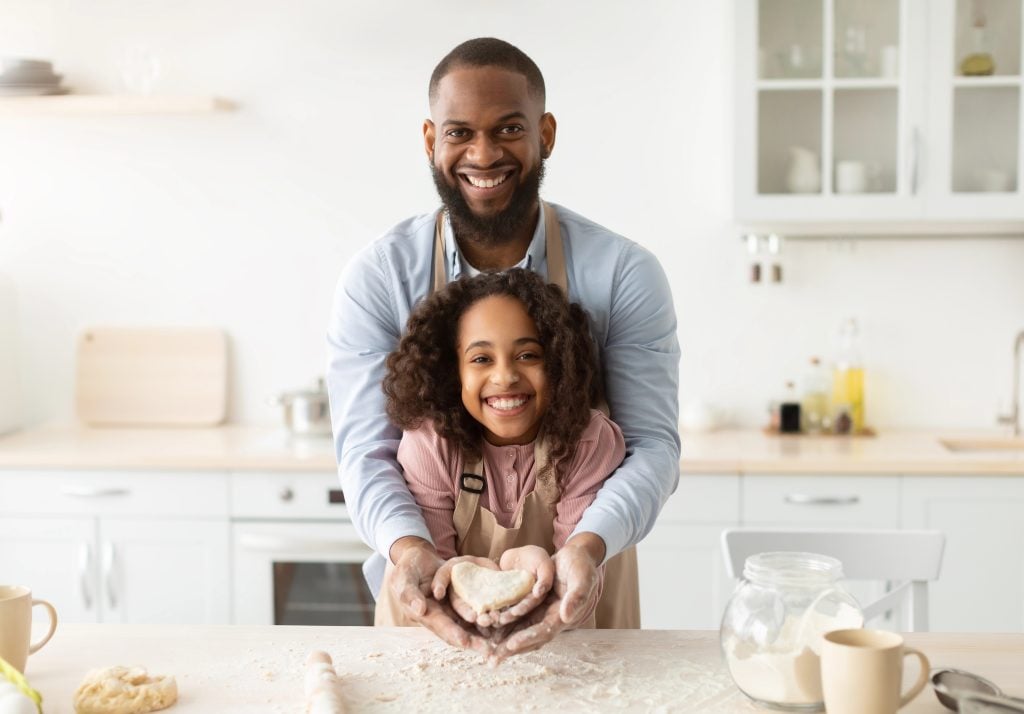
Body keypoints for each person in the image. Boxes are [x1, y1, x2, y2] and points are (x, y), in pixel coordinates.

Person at [326, 37, 680, 661]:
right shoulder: (380, 277)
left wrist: (586, 548)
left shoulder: (624, 273)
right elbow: (366, 452)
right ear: (431, 139)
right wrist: (411, 552)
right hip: (426, 604)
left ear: (545, 133)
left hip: (583, 600)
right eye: (460, 132)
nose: (483, 154)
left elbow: (652, 447)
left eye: (509, 128)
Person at [376, 269, 625, 636]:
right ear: (453, 371)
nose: (505, 376)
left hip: (556, 632)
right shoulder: (430, 442)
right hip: (429, 634)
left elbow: (574, 557)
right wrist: (448, 580)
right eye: (481, 359)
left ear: (557, 363)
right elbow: (436, 567)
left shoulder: (588, 439)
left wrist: (552, 576)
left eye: (527, 355)